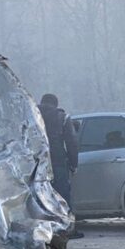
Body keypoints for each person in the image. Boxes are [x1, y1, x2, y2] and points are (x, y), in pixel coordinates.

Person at [37, 93, 81, 236]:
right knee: (62, 198)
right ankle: (67, 230)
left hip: (36, 164)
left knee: (40, 198)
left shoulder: (33, 115)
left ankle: (43, 231)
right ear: (56, 104)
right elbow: (72, 143)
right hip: (58, 163)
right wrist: (74, 164)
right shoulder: (62, 117)